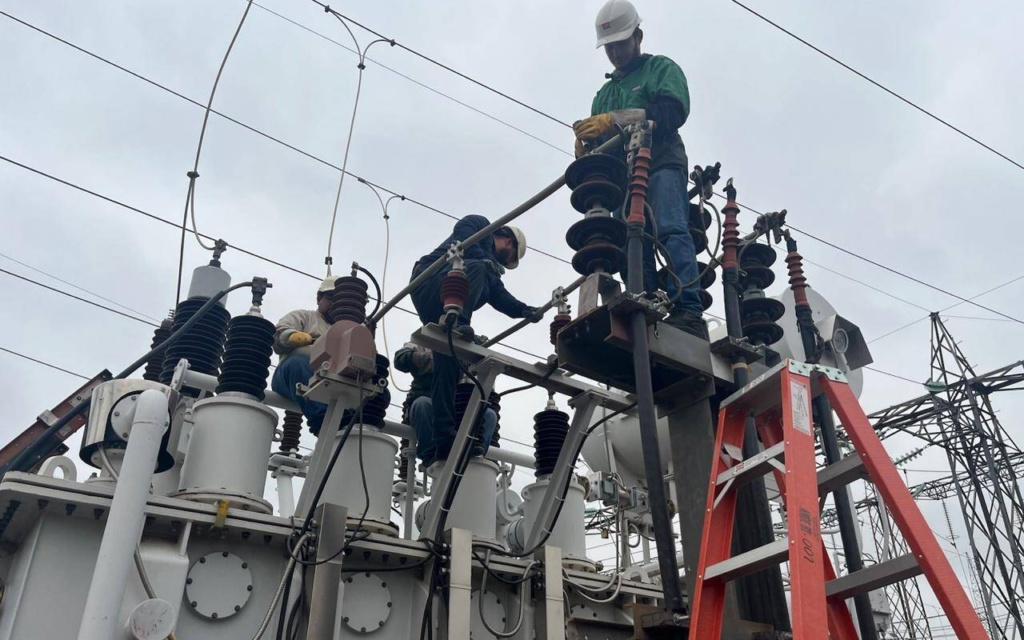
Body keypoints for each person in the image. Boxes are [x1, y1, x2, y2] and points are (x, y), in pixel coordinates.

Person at [573, 0, 707, 339]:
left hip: (661, 162)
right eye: (610, 47)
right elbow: (600, 144)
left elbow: (671, 112)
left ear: (638, 36)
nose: (615, 53)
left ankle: (688, 310)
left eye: (620, 44)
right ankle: (647, 304)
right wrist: (586, 151)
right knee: (632, 242)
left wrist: (614, 120)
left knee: (669, 230)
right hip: (623, 177)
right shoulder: (605, 93)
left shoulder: (661, 69)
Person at [409, 215, 538, 463]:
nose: (501, 263)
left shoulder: (486, 268)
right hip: (429, 281)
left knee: (448, 360)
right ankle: (459, 322)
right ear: (508, 242)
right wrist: (487, 259)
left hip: (443, 307)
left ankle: (444, 435)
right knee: (479, 267)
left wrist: (523, 310)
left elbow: (499, 296)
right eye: (507, 259)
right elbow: (463, 234)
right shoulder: (479, 226)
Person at [394, 342, 496, 467]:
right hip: (430, 401)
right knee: (422, 405)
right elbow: (400, 359)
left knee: (489, 415)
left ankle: (475, 457)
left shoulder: (468, 344)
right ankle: (432, 457)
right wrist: (428, 359)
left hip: (459, 408)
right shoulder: (421, 341)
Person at [270, 276, 335, 435]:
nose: (334, 303)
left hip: (331, 383)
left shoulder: (347, 330)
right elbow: (278, 335)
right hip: (291, 376)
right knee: (299, 363)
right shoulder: (304, 317)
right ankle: (324, 423)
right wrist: (291, 336)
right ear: (319, 299)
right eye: (329, 298)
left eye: (339, 300)